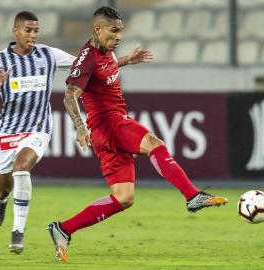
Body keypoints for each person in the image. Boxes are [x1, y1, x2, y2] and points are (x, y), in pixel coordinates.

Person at [47, 6, 228, 262]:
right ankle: (192, 196)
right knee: (155, 143)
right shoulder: (86, 57)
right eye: (114, 31)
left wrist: (125, 61)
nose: (119, 36)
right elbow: (69, 95)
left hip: (105, 135)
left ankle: (63, 229)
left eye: (121, 31)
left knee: (124, 198)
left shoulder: (105, 52)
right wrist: (79, 127)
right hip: (110, 123)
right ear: (98, 29)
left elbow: (102, 70)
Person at [0, 11, 75, 254]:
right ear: (16, 31)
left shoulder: (48, 54)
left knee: (22, 167)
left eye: (36, 30)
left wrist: (123, 59)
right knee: (2, 188)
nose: (33, 35)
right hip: (8, 130)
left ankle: (18, 231)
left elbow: (84, 64)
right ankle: (0, 201)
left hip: (38, 127)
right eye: (28, 30)